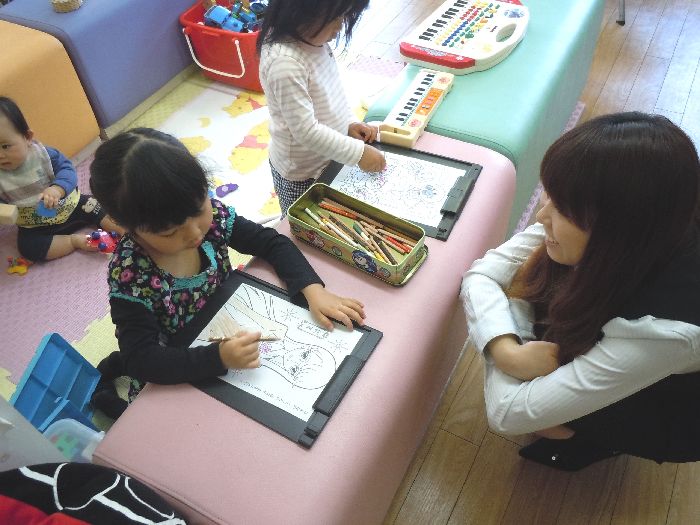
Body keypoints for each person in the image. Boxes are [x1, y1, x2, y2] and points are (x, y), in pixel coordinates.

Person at [460, 112, 700, 471]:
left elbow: (507, 412)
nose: (541, 216)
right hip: (635, 316)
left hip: (674, 408)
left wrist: (511, 333)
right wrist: (506, 350)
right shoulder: (649, 214)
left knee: (544, 418)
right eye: (550, 195)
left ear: (614, 231)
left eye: (561, 208)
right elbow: (481, 274)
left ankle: (590, 442)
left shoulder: (666, 329)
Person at [88, 128, 366, 419]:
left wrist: (313, 290)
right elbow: (142, 360)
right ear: (126, 226)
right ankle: (106, 393)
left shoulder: (213, 219)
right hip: (178, 358)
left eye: (200, 209)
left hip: (225, 320)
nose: (194, 233)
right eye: (170, 232)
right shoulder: (131, 276)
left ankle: (113, 365)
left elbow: (271, 242)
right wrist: (218, 358)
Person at [256, 0, 387, 215]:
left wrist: (349, 122)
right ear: (302, 12)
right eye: (336, 18)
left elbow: (332, 95)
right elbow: (305, 132)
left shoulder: (314, 40)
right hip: (302, 173)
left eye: (345, 16)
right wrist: (359, 153)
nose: (340, 26)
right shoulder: (285, 63)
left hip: (328, 156)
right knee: (302, 224)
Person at [0, 96, 121, 261]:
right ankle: (73, 241)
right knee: (28, 248)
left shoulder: (44, 156)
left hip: (72, 207)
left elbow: (67, 170)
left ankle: (126, 231)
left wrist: (57, 188)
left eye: (5, 146)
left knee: (97, 205)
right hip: (36, 226)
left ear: (27, 137)